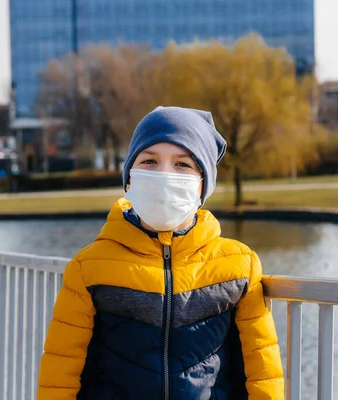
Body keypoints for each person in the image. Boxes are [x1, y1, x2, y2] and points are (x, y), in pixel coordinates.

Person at [38, 106, 284, 399]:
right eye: (149, 161)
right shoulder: (89, 266)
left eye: (182, 165)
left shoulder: (239, 265)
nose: (164, 174)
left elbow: (263, 373)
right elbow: (59, 375)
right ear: (129, 179)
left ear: (202, 185)